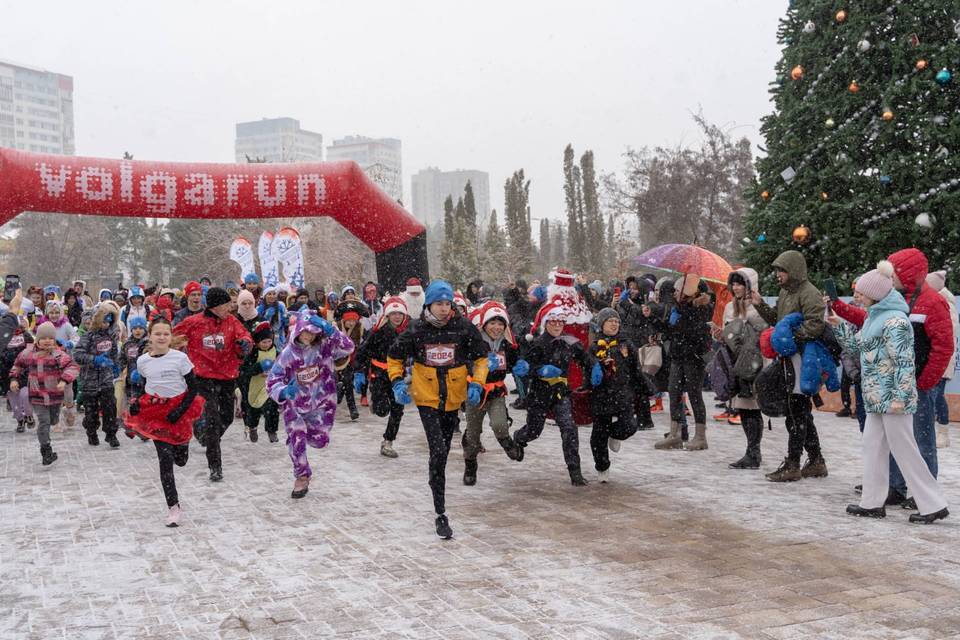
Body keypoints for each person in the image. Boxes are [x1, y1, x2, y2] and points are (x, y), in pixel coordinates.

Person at [830, 248, 953, 504]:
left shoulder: (926, 304)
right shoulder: (891, 305)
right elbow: (867, 333)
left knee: (916, 444)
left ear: (906, 273)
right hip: (882, 392)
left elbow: (939, 348)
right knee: (878, 446)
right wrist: (839, 315)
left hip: (907, 387)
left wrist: (923, 383)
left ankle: (927, 501)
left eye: (893, 272)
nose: (889, 277)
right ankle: (887, 493)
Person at [387, 280, 490, 539]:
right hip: (426, 397)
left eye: (447, 303)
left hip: (453, 398)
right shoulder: (417, 329)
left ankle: (436, 477)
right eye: (439, 304)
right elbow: (394, 357)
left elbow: (481, 358)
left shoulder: (463, 327)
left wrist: (478, 382)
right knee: (439, 448)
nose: (444, 309)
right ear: (429, 304)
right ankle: (440, 511)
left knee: (442, 453)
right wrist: (397, 382)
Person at [754, 250, 829, 482]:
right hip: (789, 358)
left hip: (803, 359)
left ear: (793, 270)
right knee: (800, 411)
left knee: (796, 411)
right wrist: (760, 305)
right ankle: (816, 461)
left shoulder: (809, 293)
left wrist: (791, 338)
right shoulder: (785, 292)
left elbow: (816, 325)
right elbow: (779, 322)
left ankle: (794, 463)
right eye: (776, 270)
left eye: (782, 270)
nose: (778, 274)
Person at [126, 316, 205, 526]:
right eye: (157, 333)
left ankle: (184, 446)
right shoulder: (143, 361)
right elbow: (143, 386)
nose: (161, 337)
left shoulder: (179, 358)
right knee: (165, 460)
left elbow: (193, 388)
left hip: (180, 409)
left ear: (171, 337)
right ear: (149, 336)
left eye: (165, 334)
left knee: (180, 459)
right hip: (156, 413)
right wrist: (136, 402)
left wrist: (179, 411)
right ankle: (173, 508)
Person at [512, 300, 601, 486]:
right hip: (539, 394)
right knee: (534, 431)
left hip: (561, 393)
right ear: (546, 323)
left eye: (561, 322)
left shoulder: (570, 342)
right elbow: (525, 368)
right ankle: (519, 438)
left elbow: (585, 358)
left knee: (569, 429)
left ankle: (574, 471)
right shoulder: (537, 344)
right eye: (553, 322)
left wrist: (594, 367)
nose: (557, 325)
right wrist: (539, 370)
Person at [266, 312, 354, 498]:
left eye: (314, 332)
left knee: (319, 440)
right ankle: (302, 476)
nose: (309, 336)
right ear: (298, 330)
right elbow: (272, 381)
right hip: (295, 406)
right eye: (306, 331)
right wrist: (283, 391)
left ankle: (310, 438)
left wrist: (333, 333)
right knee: (296, 438)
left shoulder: (324, 347)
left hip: (322, 403)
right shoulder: (287, 354)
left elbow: (348, 348)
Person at [173, 287, 252, 481]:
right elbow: (173, 336)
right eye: (226, 305)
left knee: (227, 417)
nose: (229, 307)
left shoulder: (232, 321)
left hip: (226, 377)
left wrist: (244, 344)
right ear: (216, 306)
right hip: (202, 377)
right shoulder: (194, 322)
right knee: (212, 420)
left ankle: (205, 435)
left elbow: (245, 336)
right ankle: (215, 466)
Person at [461, 302, 524, 486]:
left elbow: (514, 361)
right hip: (476, 391)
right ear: (484, 324)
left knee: (500, 425)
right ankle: (470, 465)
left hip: (496, 391)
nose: (496, 328)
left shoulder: (506, 344)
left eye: (500, 324)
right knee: (473, 436)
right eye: (492, 323)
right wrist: (472, 375)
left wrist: (520, 367)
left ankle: (508, 444)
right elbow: (464, 361)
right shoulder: (475, 342)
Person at [653, 275, 713, 451]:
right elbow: (672, 331)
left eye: (678, 290)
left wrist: (683, 314)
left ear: (689, 292)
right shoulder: (678, 308)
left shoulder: (701, 308)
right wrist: (653, 320)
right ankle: (675, 434)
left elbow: (693, 332)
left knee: (694, 394)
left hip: (693, 358)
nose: (675, 293)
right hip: (678, 356)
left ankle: (700, 436)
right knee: (673, 392)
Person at [10, 322, 80, 465]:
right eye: (44, 338)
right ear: (38, 339)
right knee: (44, 421)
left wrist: (64, 380)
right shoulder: (29, 353)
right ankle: (46, 450)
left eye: (50, 338)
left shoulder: (58, 354)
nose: (47, 341)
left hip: (55, 395)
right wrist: (13, 379)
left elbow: (72, 366)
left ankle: (51, 430)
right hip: (37, 395)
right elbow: (17, 365)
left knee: (53, 420)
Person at [719, 268, 768, 469]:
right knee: (743, 407)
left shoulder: (759, 306)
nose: (736, 287)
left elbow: (766, 332)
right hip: (736, 364)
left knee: (752, 407)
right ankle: (751, 451)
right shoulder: (730, 308)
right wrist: (720, 334)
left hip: (754, 364)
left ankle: (754, 453)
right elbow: (728, 334)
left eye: (740, 283)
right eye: (734, 284)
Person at [588, 308, 642, 483]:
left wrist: (645, 387)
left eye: (617, 321)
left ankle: (615, 435)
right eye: (610, 321)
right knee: (598, 436)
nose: (614, 324)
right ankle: (602, 467)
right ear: (602, 324)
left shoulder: (626, 344)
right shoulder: (594, 346)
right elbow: (586, 370)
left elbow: (636, 369)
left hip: (622, 394)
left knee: (630, 426)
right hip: (601, 395)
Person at [354, 296, 409, 458]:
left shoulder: (408, 333)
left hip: (398, 377)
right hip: (379, 375)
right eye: (394, 313)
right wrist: (358, 371)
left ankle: (388, 442)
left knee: (398, 409)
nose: (397, 317)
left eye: (400, 313)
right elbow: (363, 351)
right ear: (387, 315)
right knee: (382, 410)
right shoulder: (378, 332)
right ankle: (375, 402)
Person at [73, 301, 122, 448]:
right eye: (105, 320)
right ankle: (91, 431)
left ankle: (111, 434)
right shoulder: (88, 336)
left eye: (110, 321)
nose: (107, 324)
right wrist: (94, 359)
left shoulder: (111, 337)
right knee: (91, 411)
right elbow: (78, 355)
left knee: (110, 407)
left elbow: (114, 354)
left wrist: (115, 366)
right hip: (89, 380)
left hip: (106, 379)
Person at [925, 270, 957, 448]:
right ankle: (933, 432)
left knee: (936, 397)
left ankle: (943, 434)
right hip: (934, 357)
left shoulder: (946, 304)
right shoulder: (936, 301)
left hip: (941, 359)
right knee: (932, 396)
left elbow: (947, 336)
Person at [40, 300, 80, 428]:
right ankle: (55, 420)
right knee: (52, 390)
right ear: (47, 313)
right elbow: (37, 340)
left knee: (67, 391)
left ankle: (69, 409)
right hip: (49, 363)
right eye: (51, 312)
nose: (54, 315)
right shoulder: (44, 326)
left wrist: (70, 343)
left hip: (65, 362)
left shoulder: (66, 325)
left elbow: (76, 338)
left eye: (57, 312)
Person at [239, 321, 280, 443]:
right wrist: (257, 369)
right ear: (257, 342)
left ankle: (272, 431)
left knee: (272, 409)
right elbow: (244, 371)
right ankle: (252, 427)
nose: (267, 344)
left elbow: (281, 365)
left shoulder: (276, 352)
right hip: (254, 386)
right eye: (264, 342)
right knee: (253, 409)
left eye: (269, 341)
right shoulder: (253, 354)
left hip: (270, 386)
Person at [333, 301, 366, 421]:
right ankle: (350, 406)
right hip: (337, 360)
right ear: (344, 320)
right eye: (349, 320)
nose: (352, 323)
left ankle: (349, 404)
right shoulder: (335, 327)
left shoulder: (360, 327)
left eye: (354, 320)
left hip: (353, 360)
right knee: (345, 383)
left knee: (348, 383)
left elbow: (366, 342)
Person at [1, 314, 34, 432]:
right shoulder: (3, 336)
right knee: (14, 401)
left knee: (25, 396)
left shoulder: (27, 336)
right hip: (7, 373)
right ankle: (20, 420)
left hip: (24, 371)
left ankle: (29, 414)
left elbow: (31, 354)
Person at [119, 316, 149, 438]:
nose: (137, 331)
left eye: (140, 328)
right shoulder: (127, 344)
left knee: (145, 405)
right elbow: (122, 359)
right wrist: (118, 369)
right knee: (133, 403)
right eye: (135, 328)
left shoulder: (149, 342)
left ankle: (144, 430)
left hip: (147, 381)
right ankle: (132, 426)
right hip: (132, 381)